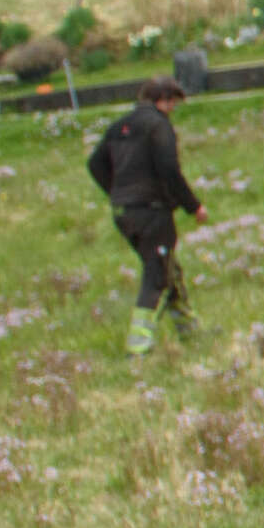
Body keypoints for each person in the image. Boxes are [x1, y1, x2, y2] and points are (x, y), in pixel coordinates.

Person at [86, 75, 204, 357]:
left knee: (168, 268)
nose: (173, 110)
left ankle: (189, 329)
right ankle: (138, 346)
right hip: (152, 211)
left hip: (123, 213)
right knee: (157, 275)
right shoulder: (158, 126)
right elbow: (170, 169)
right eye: (173, 104)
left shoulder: (119, 126)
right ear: (163, 100)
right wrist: (193, 206)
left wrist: (118, 192)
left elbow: (94, 163)